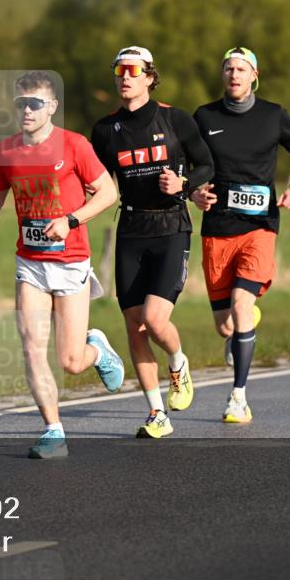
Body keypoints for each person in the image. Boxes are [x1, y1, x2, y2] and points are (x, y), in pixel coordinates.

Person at [0, 70, 125, 459]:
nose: (26, 110)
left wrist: (71, 220)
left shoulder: (74, 146)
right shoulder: (6, 150)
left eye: (34, 103)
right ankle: (53, 431)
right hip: (31, 263)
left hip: (71, 260)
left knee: (71, 362)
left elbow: (108, 192)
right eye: (21, 103)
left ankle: (98, 350)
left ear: (52, 107)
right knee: (31, 348)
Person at [90, 46, 215, 439]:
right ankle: (157, 413)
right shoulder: (104, 130)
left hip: (171, 227)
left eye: (133, 70)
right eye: (119, 70)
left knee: (154, 319)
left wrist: (185, 184)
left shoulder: (175, 118)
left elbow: (208, 165)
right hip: (130, 229)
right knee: (134, 326)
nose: (125, 77)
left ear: (149, 76)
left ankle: (178, 363)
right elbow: (91, 181)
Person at [191, 47, 290, 423]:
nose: (234, 74)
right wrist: (194, 192)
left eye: (241, 69)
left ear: (254, 75)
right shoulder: (204, 116)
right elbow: (190, 164)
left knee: (242, 306)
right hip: (218, 229)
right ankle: (241, 329)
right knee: (225, 324)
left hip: (260, 226)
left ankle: (238, 398)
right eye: (228, 68)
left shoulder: (273, 115)